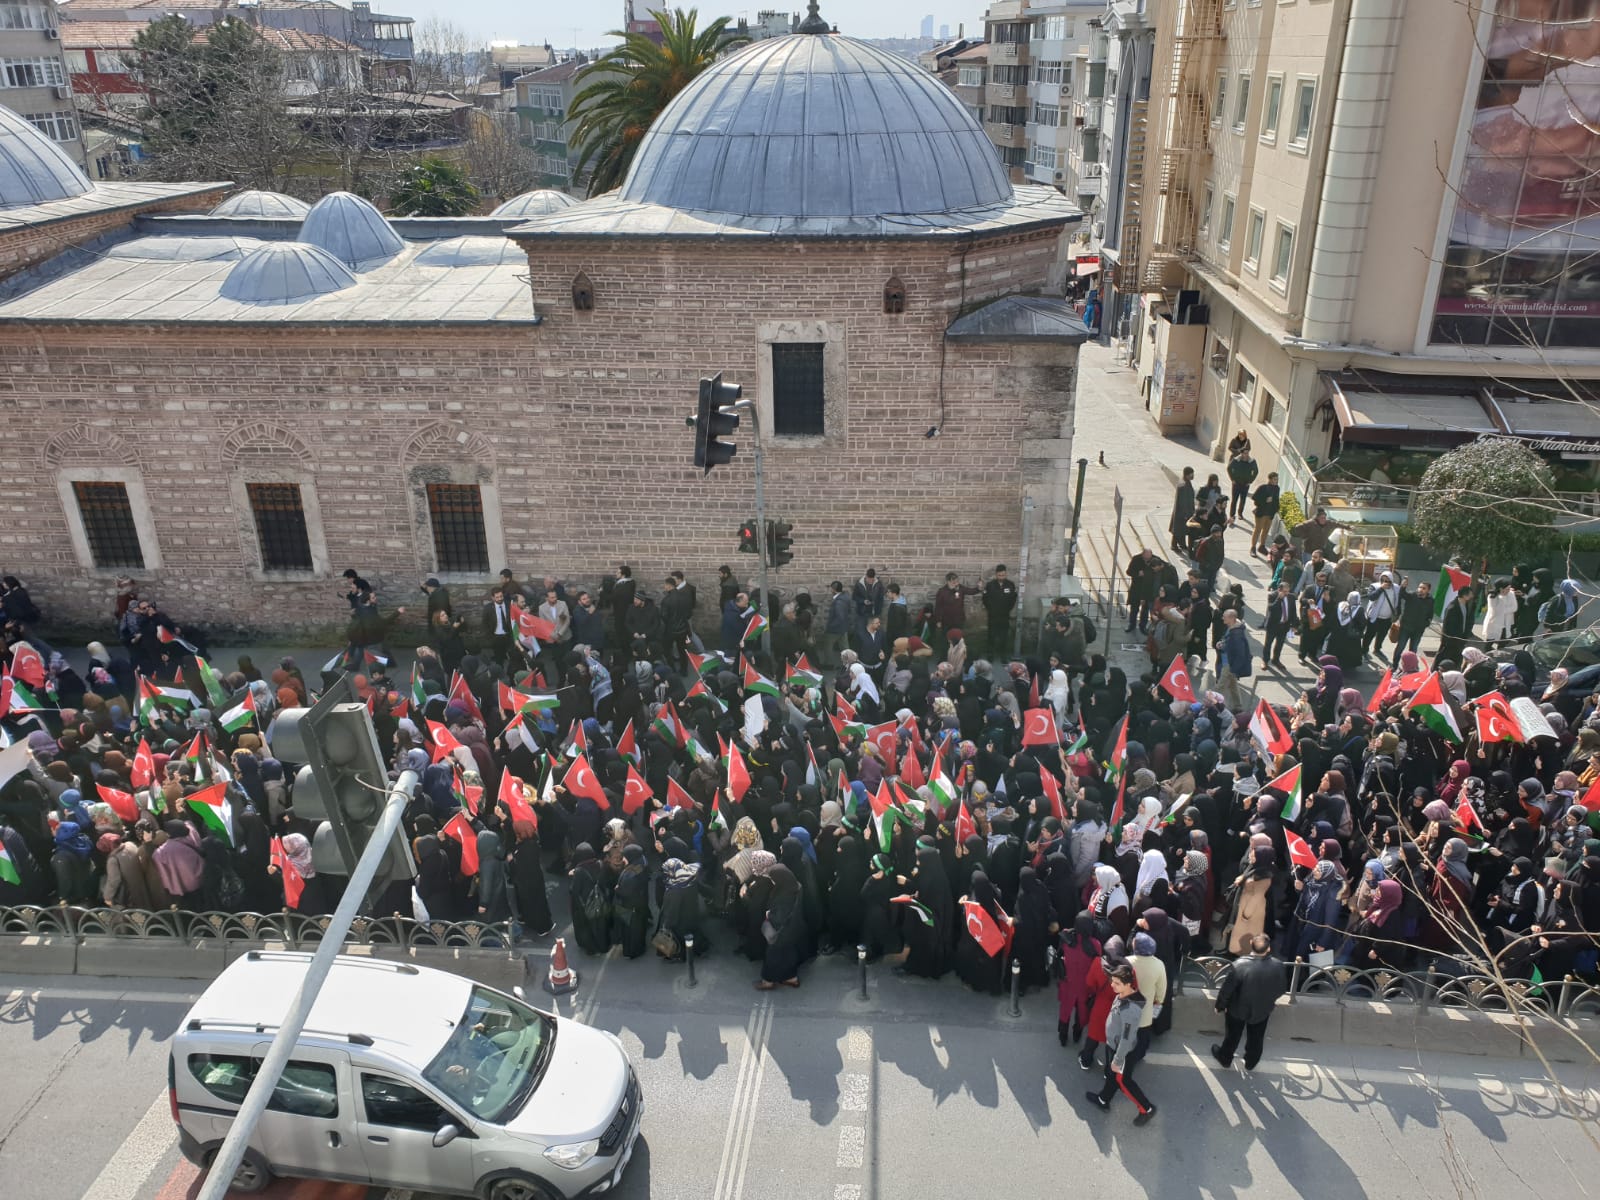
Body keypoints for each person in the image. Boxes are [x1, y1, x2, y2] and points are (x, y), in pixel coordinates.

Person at [1084, 962, 1156, 1121]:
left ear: (1128, 984)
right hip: (1114, 1046)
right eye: (1112, 981)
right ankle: (1103, 1100)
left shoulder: (1130, 1010)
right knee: (1112, 1076)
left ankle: (1146, 1109)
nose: (1112, 985)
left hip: (1121, 1051)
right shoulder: (1123, 994)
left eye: (1117, 983)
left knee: (1123, 1081)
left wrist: (1117, 1060)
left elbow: (1126, 1039)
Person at [1210, 933, 1289, 1075]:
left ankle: (1225, 1058)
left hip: (1237, 1009)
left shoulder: (1239, 965)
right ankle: (1251, 1062)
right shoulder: (1278, 966)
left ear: (1251, 943)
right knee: (1257, 1038)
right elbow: (1282, 988)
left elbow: (1226, 990)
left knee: (1232, 1036)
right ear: (1268, 948)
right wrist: (1269, 1000)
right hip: (1262, 1009)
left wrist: (1220, 1006)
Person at [1216, 609, 1252, 711]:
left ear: (1231, 618)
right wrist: (1221, 644)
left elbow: (1240, 653)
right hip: (1228, 662)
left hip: (1229, 664)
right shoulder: (1232, 628)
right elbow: (1228, 642)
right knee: (1233, 685)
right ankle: (1238, 706)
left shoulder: (1236, 634)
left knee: (1219, 687)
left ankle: (1217, 707)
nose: (1222, 618)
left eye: (1224, 617)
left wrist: (1234, 669)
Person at [982, 565, 1018, 655]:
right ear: (996, 574)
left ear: (1006, 574)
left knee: (1004, 637)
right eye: (999, 575)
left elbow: (1013, 598)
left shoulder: (1010, 584)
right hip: (993, 616)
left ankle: (1003, 655)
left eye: (1003, 575)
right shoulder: (990, 585)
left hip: (1004, 616)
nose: (1001, 577)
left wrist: (1008, 609)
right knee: (991, 636)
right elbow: (985, 599)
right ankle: (990, 655)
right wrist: (991, 609)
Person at [1438, 584, 1475, 665]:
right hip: (1451, 640)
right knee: (1446, 660)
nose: (1472, 596)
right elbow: (1447, 626)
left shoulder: (1465, 605)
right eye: (1470, 594)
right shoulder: (1452, 608)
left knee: (1457, 660)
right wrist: (1447, 640)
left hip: (1461, 639)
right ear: (1464, 596)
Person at [1263, 581, 1294, 670]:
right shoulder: (1272, 596)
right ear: (1279, 590)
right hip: (1273, 625)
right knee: (1268, 644)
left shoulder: (1291, 597)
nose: (1286, 593)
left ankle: (1276, 660)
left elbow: (1293, 611)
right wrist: (1279, 599)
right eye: (1284, 591)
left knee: (1279, 644)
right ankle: (1265, 661)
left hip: (1284, 625)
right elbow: (1271, 608)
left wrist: (1294, 624)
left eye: (1288, 591)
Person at [1249, 472, 1280, 555]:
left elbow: (1276, 500)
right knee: (1258, 530)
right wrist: (1265, 500)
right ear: (1270, 479)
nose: (1276, 481)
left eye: (1277, 479)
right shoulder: (1263, 487)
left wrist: (1277, 509)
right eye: (1274, 479)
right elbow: (1254, 498)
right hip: (1261, 512)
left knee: (1266, 530)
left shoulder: (1277, 488)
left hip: (1270, 513)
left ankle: (1262, 546)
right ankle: (1253, 547)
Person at [1169, 466, 1196, 553]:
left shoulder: (1186, 482)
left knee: (1183, 529)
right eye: (1191, 474)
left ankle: (1182, 544)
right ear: (1187, 474)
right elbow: (1183, 501)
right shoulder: (1183, 485)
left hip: (1185, 511)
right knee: (1178, 530)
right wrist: (1186, 513)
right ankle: (1174, 545)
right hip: (1182, 512)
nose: (1193, 475)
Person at [1227, 449, 1259, 522]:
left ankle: (1240, 513)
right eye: (1245, 453)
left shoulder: (1252, 462)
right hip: (1236, 483)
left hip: (1245, 484)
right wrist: (1232, 479)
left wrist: (1250, 481)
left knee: (1243, 500)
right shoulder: (1236, 460)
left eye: (1247, 453)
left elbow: (1256, 471)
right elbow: (1229, 468)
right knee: (1234, 500)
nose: (1246, 455)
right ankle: (1232, 515)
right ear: (1241, 454)